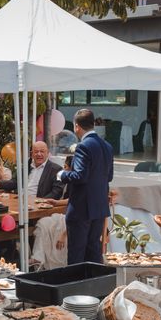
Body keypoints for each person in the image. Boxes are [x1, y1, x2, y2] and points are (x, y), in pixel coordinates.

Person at [59, 109, 113, 265]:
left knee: (76, 255)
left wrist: (62, 175)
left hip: (81, 208)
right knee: (93, 253)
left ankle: (76, 288)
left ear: (76, 126)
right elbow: (109, 177)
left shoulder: (83, 146)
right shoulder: (107, 146)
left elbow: (80, 176)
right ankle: (94, 287)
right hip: (99, 207)